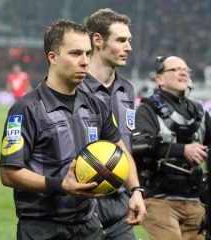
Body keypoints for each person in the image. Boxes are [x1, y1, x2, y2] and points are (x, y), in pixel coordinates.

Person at [0, 19, 146, 240]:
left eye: (87, 54)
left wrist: (135, 190)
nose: (85, 62)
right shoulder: (25, 109)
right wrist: (61, 186)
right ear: (53, 57)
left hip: (88, 226)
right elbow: (9, 173)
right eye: (76, 53)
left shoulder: (96, 105)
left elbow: (120, 149)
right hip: (42, 228)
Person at [80, 8, 145, 239]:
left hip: (119, 204)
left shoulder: (126, 89)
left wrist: (135, 190)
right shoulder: (74, 88)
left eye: (129, 40)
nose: (129, 47)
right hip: (83, 204)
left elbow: (124, 143)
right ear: (98, 40)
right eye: (121, 40)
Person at [133, 55, 210, 240]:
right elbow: (138, 145)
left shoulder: (199, 111)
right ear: (159, 79)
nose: (183, 72)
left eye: (186, 69)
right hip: (159, 199)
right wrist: (182, 150)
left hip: (194, 199)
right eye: (175, 69)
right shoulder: (147, 109)